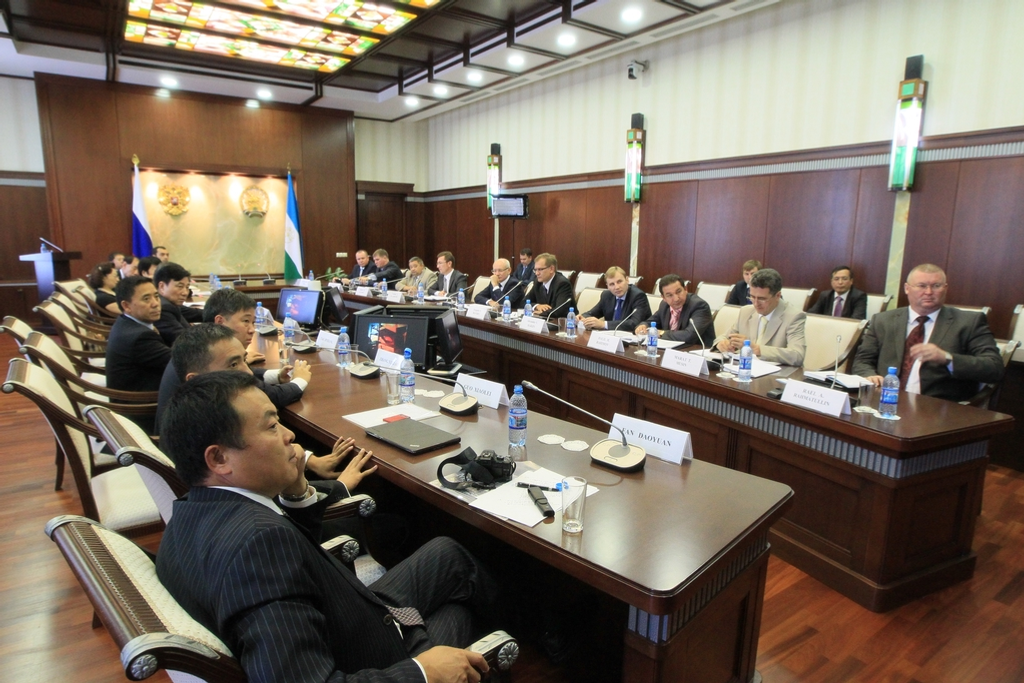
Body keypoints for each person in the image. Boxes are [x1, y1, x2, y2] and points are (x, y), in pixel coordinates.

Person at [157, 371, 500, 683]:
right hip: (376, 661)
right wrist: (423, 673)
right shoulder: (258, 545)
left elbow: (295, 567)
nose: (290, 435)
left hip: (346, 617)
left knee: (448, 554)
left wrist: (297, 493)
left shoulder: (188, 512)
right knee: (461, 614)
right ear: (219, 459)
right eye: (272, 427)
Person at [852, 264, 1003, 402]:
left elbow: (994, 368)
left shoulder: (969, 322)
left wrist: (948, 359)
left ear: (945, 288)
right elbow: (862, 360)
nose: (929, 292)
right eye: (922, 286)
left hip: (937, 408)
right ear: (907, 288)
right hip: (884, 401)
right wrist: (869, 375)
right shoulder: (883, 320)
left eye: (936, 286)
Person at [714, 268, 805, 366]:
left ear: (778, 296)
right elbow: (724, 337)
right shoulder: (746, 311)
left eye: (762, 299)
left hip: (777, 373)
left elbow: (797, 355)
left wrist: (756, 349)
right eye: (752, 297)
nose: (756, 303)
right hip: (745, 369)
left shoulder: (793, 316)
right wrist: (721, 343)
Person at [635, 275, 713, 346]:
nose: (676, 299)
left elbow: (689, 335)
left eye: (678, 292)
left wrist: (661, 333)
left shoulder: (699, 306)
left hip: (696, 352)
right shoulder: (664, 305)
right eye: (669, 295)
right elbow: (652, 321)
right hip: (670, 350)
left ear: (685, 289)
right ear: (663, 298)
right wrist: (643, 326)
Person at [577, 266, 651, 331]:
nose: (617, 287)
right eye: (612, 284)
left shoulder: (638, 296)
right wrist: (582, 318)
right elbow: (592, 313)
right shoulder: (607, 295)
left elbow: (634, 323)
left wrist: (603, 324)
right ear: (607, 286)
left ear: (627, 280)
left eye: (619, 282)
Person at [153, 262, 193, 345]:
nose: (185, 293)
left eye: (187, 287)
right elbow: (186, 341)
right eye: (180, 286)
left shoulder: (170, 303)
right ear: (162, 286)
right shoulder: (163, 308)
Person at [529, 253, 575, 317]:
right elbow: (523, 302)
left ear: (551, 269)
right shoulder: (538, 282)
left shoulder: (562, 284)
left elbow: (559, 311)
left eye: (540, 269)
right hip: (545, 319)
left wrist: (542, 313)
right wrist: (537, 306)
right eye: (535, 270)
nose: (537, 273)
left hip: (564, 321)